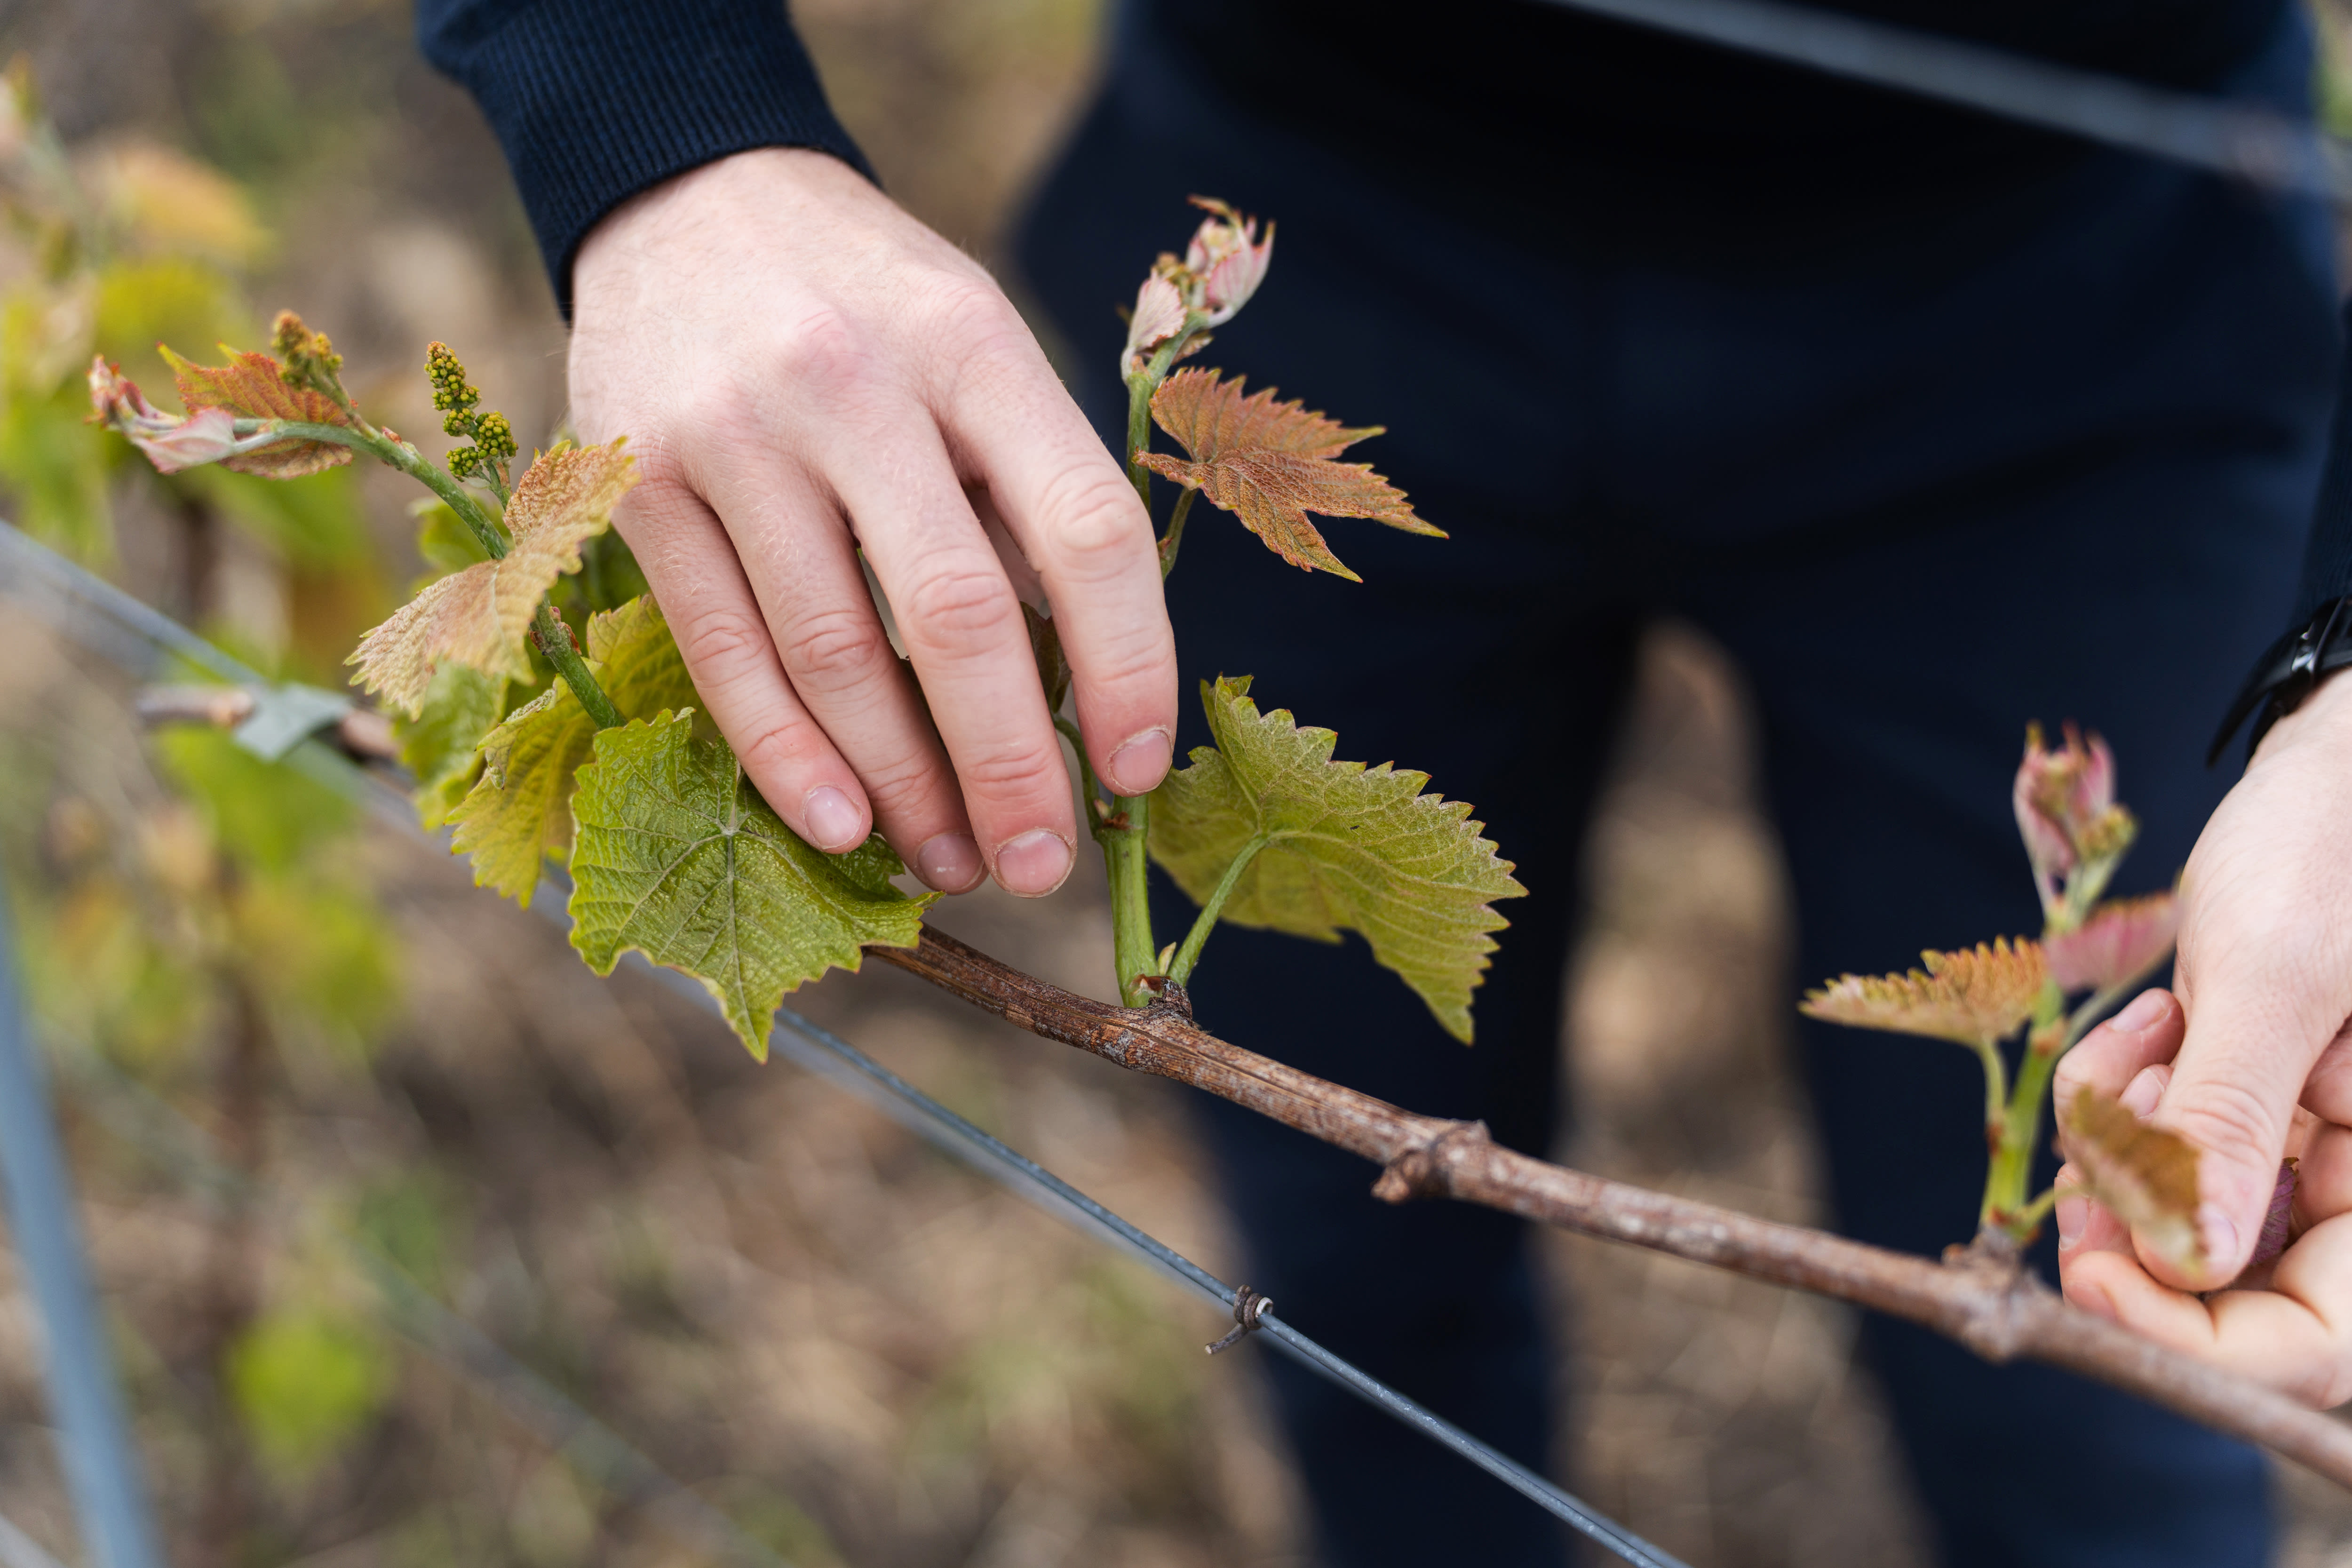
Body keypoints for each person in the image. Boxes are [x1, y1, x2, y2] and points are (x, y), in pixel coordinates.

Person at [415, 0, 2352, 1561]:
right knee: (1359, 1280)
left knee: (2093, 1357)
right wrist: (652, 112)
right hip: (1294, 203)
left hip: (2099, 307)